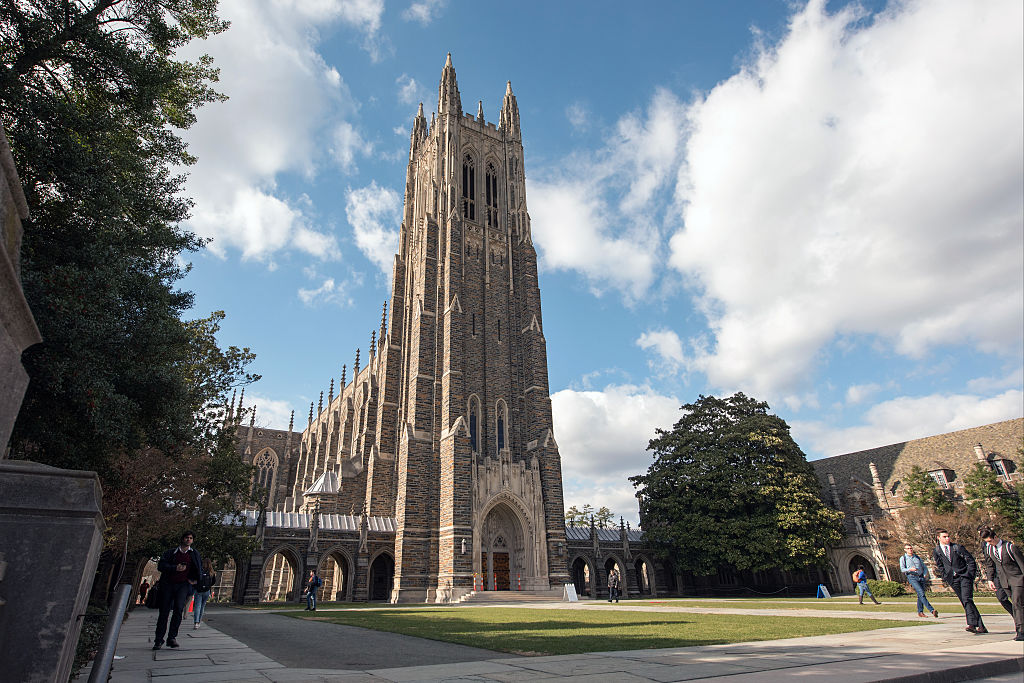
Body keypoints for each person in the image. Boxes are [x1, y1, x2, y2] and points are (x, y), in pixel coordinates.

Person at [153, 531, 203, 650]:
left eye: (190, 538)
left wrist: (195, 580)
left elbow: (199, 568)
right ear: (182, 539)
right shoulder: (171, 553)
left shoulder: (194, 553)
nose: (188, 540)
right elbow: (161, 566)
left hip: (183, 585)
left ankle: (172, 638)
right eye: (186, 538)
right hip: (168, 584)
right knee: (164, 612)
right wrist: (175, 568)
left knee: (178, 611)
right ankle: (158, 640)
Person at [933, 528, 986, 634]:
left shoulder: (957, 547)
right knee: (966, 601)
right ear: (938, 538)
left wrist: (970, 574)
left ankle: (971, 624)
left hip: (964, 576)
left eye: (948, 536)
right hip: (953, 579)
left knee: (967, 599)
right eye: (944, 537)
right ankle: (981, 626)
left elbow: (970, 560)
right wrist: (945, 576)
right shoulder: (937, 551)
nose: (947, 538)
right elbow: (940, 565)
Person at [980, 527, 1024, 641]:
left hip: (1017, 579)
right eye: (987, 542)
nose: (989, 543)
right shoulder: (989, 549)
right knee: (1015, 605)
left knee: (1016, 604)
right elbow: (990, 566)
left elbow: (1022, 564)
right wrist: (990, 580)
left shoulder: (1010, 547)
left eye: (990, 541)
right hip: (1004, 581)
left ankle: (1020, 631)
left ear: (995, 537)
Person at [899, 544, 937, 618]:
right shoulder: (903, 558)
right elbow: (902, 569)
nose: (910, 549)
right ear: (905, 550)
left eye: (911, 548)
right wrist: (910, 569)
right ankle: (932, 610)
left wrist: (925, 574)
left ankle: (920, 612)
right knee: (921, 593)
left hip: (920, 577)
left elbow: (924, 567)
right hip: (912, 577)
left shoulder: (917, 557)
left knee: (920, 595)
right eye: (908, 548)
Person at [192, 558, 216, 630]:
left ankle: (196, 622)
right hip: (207, 591)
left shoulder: (199, 571)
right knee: (202, 607)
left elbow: (195, 580)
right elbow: (213, 581)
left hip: (199, 591)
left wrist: (195, 586)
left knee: (197, 606)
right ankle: (199, 622)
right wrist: (208, 586)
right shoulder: (211, 572)